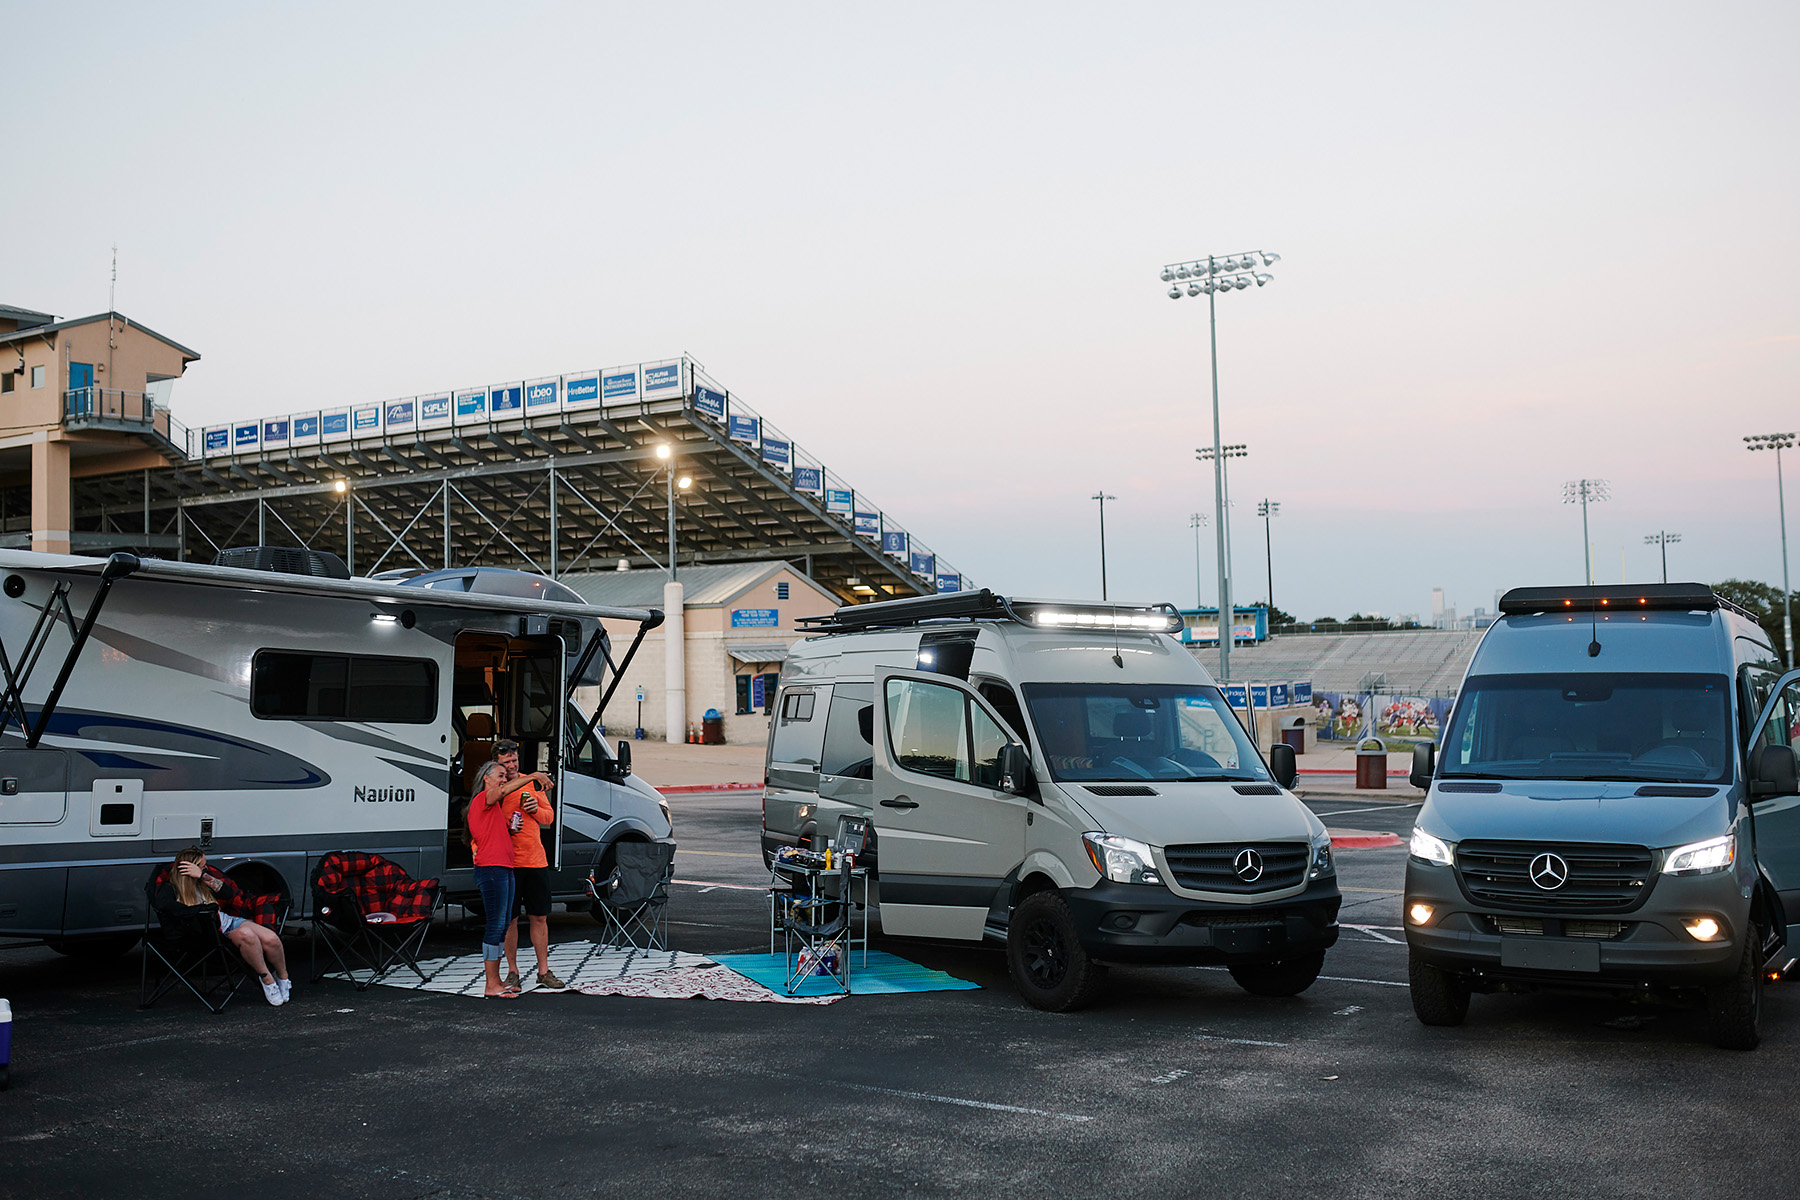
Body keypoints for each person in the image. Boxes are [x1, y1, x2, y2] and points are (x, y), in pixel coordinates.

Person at [159, 847, 291, 1007]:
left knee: (271, 938)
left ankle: (283, 978)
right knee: (247, 935)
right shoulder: (170, 890)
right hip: (212, 932)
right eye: (202, 866)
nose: (206, 868)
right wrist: (204, 911)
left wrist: (202, 876)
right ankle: (267, 979)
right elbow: (168, 908)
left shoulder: (204, 882)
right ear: (189, 868)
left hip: (228, 921)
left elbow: (229, 893)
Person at [494, 740, 564, 991]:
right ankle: (512, 971)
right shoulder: (495, 788)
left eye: (514, 761)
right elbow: (485, 824)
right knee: (510, 919)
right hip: (508, 862)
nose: (511, 766)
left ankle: (543, 971)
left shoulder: (531, 784)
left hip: (535, 859)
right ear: (496, 764)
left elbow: (549, 817)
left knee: (539, 916)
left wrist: (535, 810)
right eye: (506, 763)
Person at [467, 759, 525, 998]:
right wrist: (532, 776)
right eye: (500, 775)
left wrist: (510, 829)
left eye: (505, 775)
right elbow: (500, 792)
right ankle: (491, 983)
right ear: (486, 779)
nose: (504, 779)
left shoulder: (493, 809)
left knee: (502, 924)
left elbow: (491, 835)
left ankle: (496, 980)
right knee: (495, 924)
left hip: (504, 867)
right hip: (492, 869)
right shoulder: (482, 799)